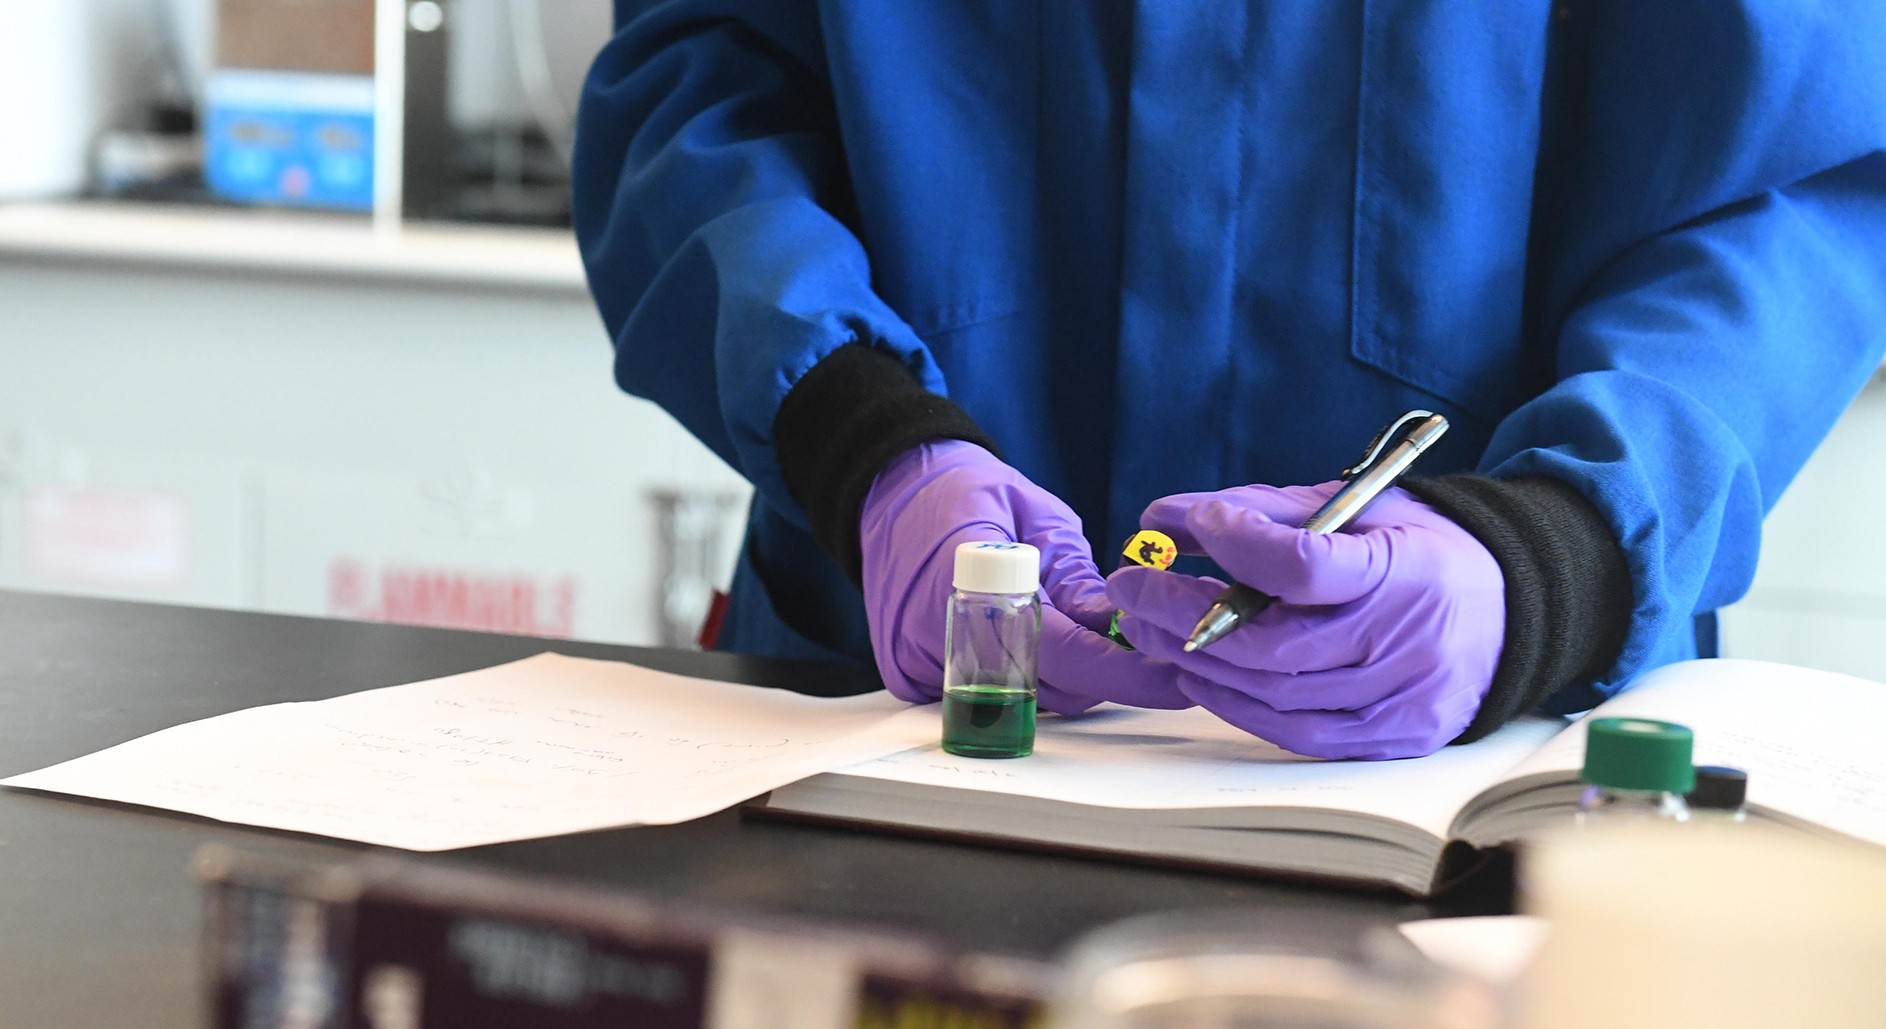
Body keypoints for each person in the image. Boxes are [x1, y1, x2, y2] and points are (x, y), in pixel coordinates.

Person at [573, 2, 1886, 760]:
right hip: (875, 715)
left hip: (1503, 750)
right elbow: (696, 89)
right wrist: (860, 431)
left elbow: (1791, 193)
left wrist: (1552, 560)